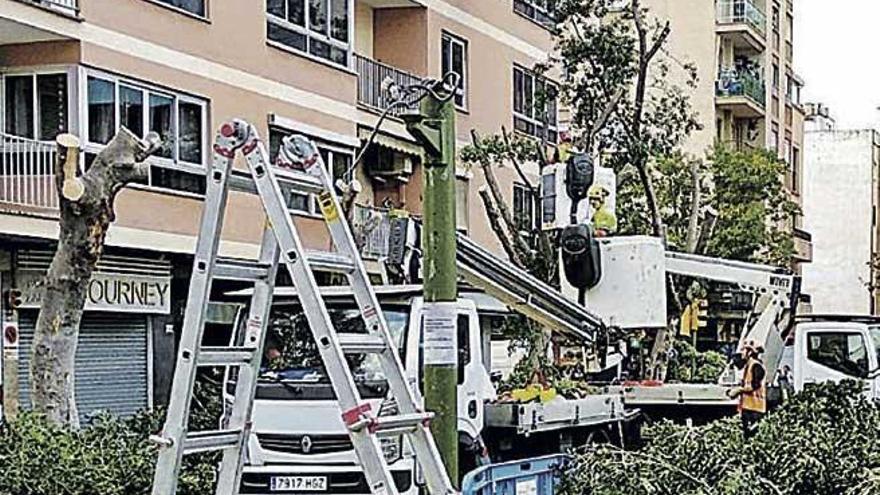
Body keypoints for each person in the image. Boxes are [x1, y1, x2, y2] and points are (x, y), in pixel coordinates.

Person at [726, 341, 766, 439]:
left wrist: (739, 390)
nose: (742, 353)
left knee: (753, 435)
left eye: (744, 350)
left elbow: (754, 385)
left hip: (755, 408)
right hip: (748, 407)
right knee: (747, 435)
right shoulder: (748, 366)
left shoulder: (757, 366)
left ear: (750, 353)